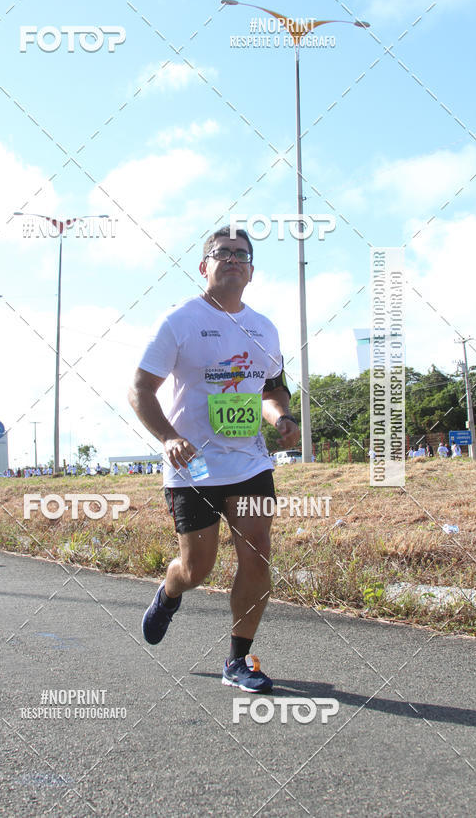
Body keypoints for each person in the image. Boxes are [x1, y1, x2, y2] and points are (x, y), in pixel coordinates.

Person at [128, 226, 299, 693]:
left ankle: (239, 660)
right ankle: (170, 591)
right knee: (197, 567)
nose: (232, 259)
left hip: (249, 463)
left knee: (258, 552)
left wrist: (281, 417)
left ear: (251, 271)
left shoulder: (264, 328)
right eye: (221, 253)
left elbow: (271, 388)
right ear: (204, 267)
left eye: (241, 254)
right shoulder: (179, 321)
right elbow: (140, 390)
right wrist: (167, 437)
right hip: (194, 466)